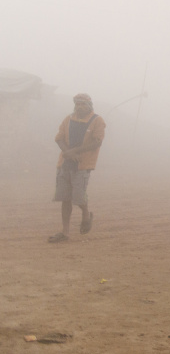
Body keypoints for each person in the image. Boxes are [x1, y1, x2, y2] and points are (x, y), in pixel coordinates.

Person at [48, 93, 106, 243]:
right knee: (65, 199)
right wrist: (67, 152)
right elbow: (59, 138)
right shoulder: (68, 119)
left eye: (83, 105)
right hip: (65, 164)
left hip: (82, 165)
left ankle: (86, 214)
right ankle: (65, 233)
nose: (79, 107)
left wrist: (75, 152)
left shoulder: (97, 121)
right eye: (77, 104)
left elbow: (97, 142)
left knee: (79, 197)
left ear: (89, 106)